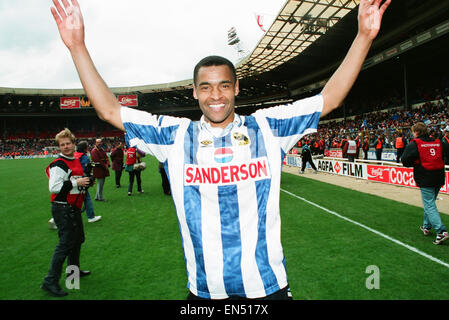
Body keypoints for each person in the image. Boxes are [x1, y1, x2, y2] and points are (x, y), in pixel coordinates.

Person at [50, 0, 391, 299]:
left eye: (224, 85)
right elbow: (109, 110)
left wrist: (363, 36)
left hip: (268, 287)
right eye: (207, 87)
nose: (216, 96)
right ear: (195, 93)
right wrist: (77, 47)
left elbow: (328, 98)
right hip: (205, 291)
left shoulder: (267, 127)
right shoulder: (175, 135)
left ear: (237, 88)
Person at [41, 128, 92, 297]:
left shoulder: (73, 160)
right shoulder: (59, 164)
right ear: (59, 147)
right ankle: (50, 281)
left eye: (68, 143)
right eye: (62, 144)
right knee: (65, 245)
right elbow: (54, 187)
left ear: (73, 143)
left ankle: (73, 274)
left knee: (77, 241)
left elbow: (72, 183)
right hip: (63, 208)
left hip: (72, 207)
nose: (65, 146)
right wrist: (77, 182)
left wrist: (84, 183)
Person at [401, 122, 449, 245]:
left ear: (416, 132)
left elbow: (405, 160)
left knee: (429, 204)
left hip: (425, 176)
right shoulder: (438, 141)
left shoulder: (415, 143)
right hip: (439, 176)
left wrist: (415, 162)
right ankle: (426, 226)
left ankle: (441, 231)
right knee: (430, 202)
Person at [75, 140, 101, 223]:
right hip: (81, 181)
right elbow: (86, 170)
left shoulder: (74, 155)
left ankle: (55, 219)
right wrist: (90, 179)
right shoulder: (84, 157)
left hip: (73, 180)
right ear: (85, 148)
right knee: (87, 199)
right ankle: (91, 216)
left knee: (71, 200)